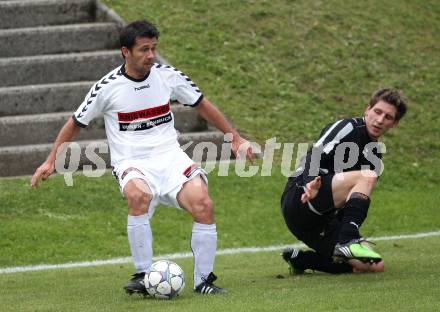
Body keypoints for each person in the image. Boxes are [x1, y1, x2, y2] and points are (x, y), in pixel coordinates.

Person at [31, 20, 253, 295]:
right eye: (144, 50)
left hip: (171, 159)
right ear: (126, 51)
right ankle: (143, 274)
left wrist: (236, 138)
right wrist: (52, 160)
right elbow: (75, 122)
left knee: (204, 204)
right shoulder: (107, 87)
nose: (151, 55)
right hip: (132, 163)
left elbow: (202, 104)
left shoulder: (167, 76)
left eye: (154, 49)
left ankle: (204, 281)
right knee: (138, 197)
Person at [280, 88, 407, 274]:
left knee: (373, 265)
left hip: (320, 222)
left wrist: (338, 228)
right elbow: (314, 155)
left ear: (394, 123)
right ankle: (348, 240)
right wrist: (309, 184)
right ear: (367, 110)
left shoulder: (375, 157)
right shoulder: (348, 127)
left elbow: (352, 203)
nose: (380, 120)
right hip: (301, 197)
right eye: (377, 112)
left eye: (388, 117)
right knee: (367, 176)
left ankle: (301, 259)